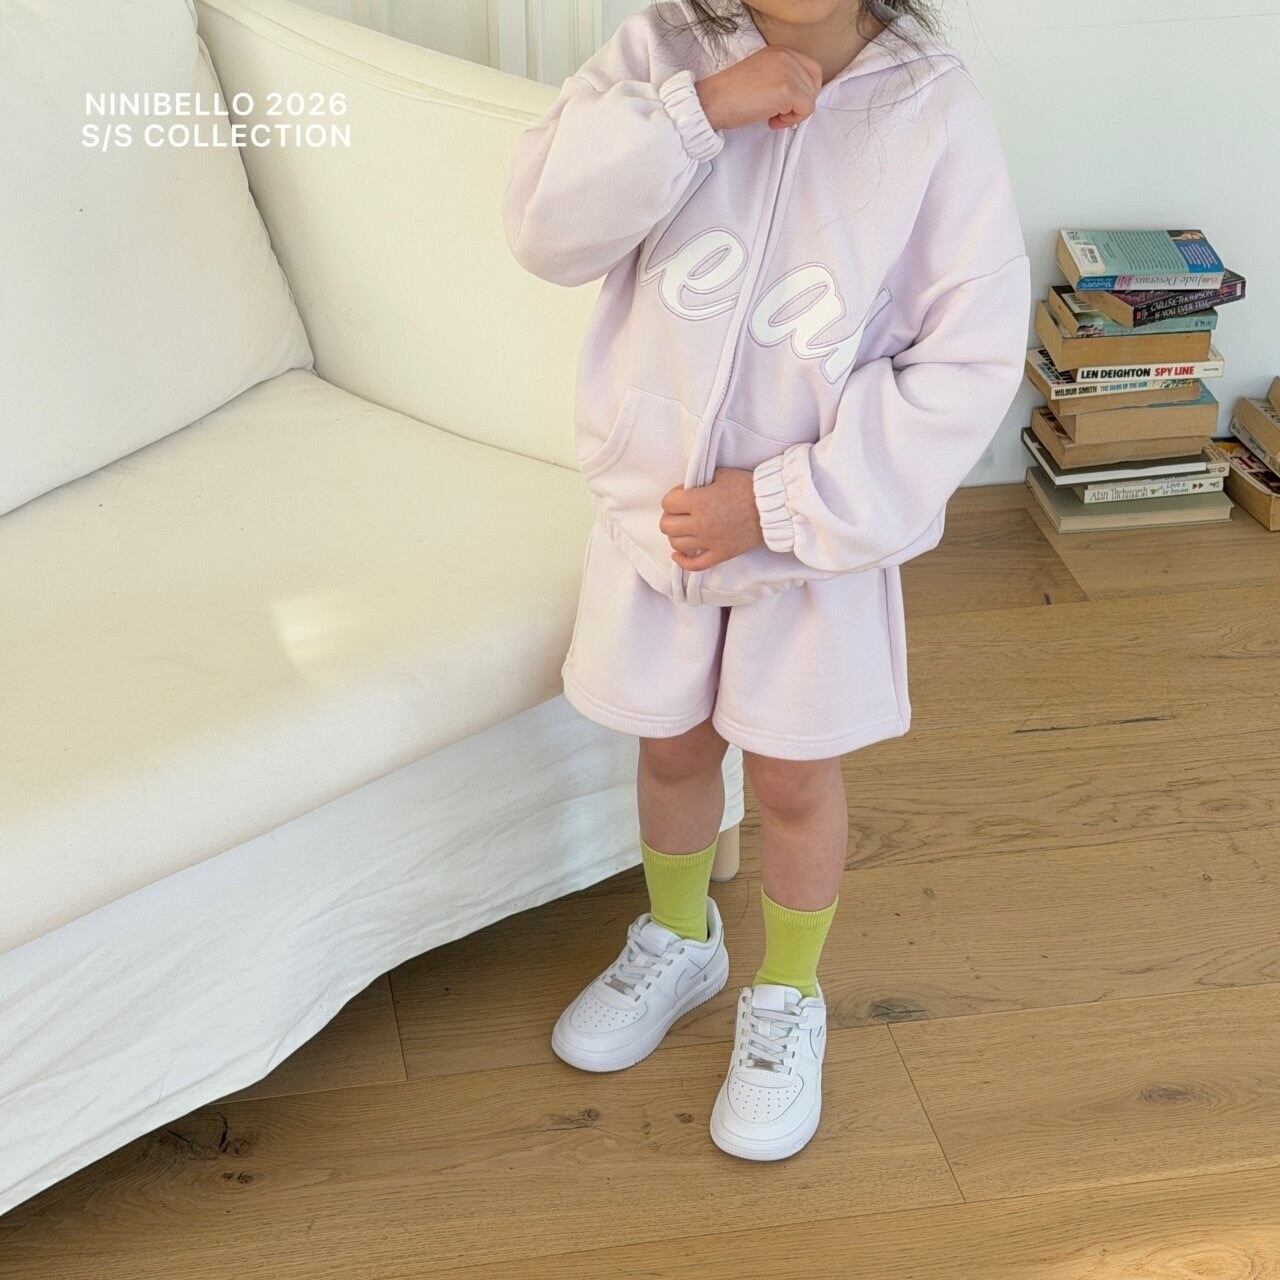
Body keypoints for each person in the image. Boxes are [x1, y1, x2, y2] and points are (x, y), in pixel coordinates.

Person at [501, 0, 1028, 1161]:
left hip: (810, 549)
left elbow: (969, 355)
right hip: (661, 522)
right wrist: (696, 112)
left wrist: (783, 501)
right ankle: (679, 938)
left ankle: (786, 991)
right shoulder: (662, 50)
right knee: (671, 746)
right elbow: (545, 230)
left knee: (791, 776)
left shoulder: (929, 105)